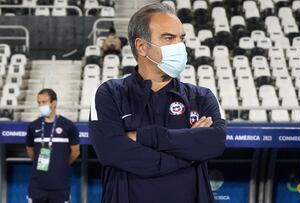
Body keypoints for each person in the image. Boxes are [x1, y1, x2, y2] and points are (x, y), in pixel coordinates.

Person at [89, 3, 226, 203]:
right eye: (169, 38)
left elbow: (215, 142)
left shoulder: (202, 97)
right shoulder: (109, 94)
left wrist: (144, 136)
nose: (179, 46)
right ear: (142, 46)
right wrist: (189, 153)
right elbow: (110, 151)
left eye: (181, 38)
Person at [26, 88, 80, 203]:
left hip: (60, 186)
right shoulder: (33, 126)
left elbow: (75, 152)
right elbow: (30, 150)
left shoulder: (68, 126)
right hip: (37, 186)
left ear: (54, 103)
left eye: (44, 102)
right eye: (39, 102)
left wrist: (61, 165)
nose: (41, 105)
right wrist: (39, 162)